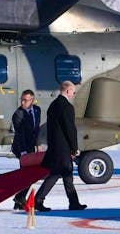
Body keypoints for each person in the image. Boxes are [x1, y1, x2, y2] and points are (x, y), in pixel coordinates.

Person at [37, 80, 87, 212]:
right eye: (73, 92)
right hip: (63, 147)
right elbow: (70, 129)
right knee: (56, 174)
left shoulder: (53, 105)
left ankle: (74, 202)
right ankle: (38, 199)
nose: (73, 94)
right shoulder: (67, 107)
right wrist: (74, 147)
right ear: (68, 91)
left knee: (67, 175)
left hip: (54, 145)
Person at [10, 89, 43, 210]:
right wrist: (23, 153)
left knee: (29, 175)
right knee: (27, 174)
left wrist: (38, 144)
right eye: (22, 100)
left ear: (32, 100)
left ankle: (19, 199)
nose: (23, 102)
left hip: (32, 146)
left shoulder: (37, 110)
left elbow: (37, 128)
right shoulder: (17, 114)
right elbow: (20, 134)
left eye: (26, 100)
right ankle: (19, 198)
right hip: (21, 147)